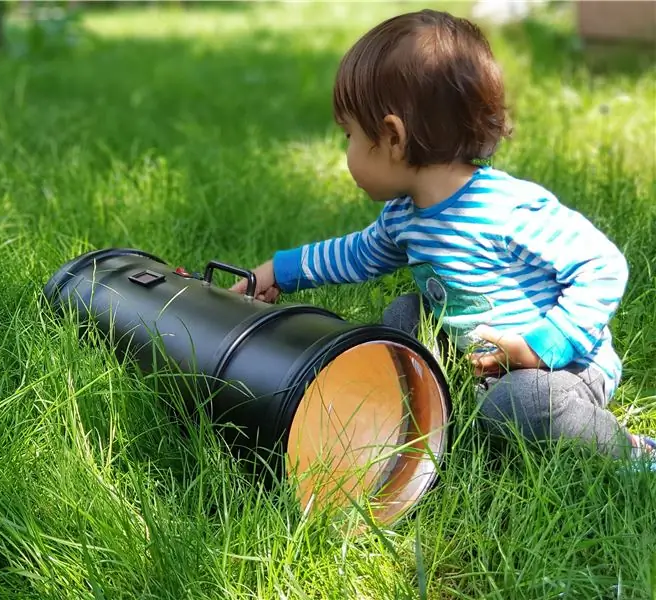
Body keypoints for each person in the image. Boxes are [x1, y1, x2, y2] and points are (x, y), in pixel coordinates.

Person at [229, 10, 655, 467]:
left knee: (518, 406)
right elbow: (354, 254)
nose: (346, 152)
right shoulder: (405, 217)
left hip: (562, 368)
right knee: (403, 318)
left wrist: (542, 346)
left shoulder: (504, 208)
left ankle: (628, 453)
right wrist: (278, 272)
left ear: (392, 137)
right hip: (485, 359)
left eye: (349, 135)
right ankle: (418, 416)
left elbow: (602, 265)